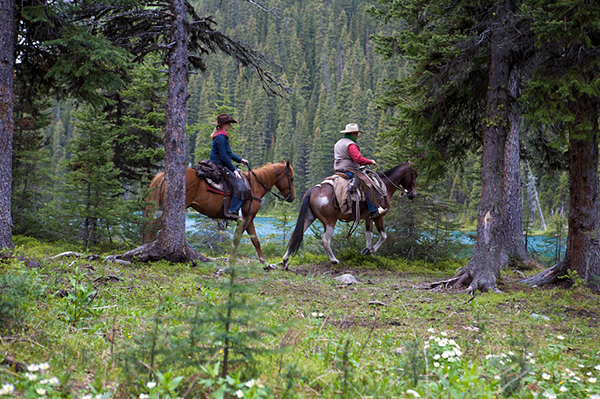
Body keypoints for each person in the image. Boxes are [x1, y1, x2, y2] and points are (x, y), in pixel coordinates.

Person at [333, 123, 380, 219]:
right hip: (349, 171)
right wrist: (370, 161)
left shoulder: (338, 143)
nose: (357, 136)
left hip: (338, 171)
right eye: (357, 134)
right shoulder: (351, 145)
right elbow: (358, 159)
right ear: (353, 133)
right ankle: (373, 210)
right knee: (368, 184)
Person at [209, 113, 249, 219]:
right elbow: (223, 157)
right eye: (229, 124)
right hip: (219, 166)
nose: (230, 126)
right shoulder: (221, 137)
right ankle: (232, 210)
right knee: (241, 187)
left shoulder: (221, 136)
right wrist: (233, 169)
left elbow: (229, 154)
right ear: (224, 125)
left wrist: (240, 160)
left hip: (220, 164)